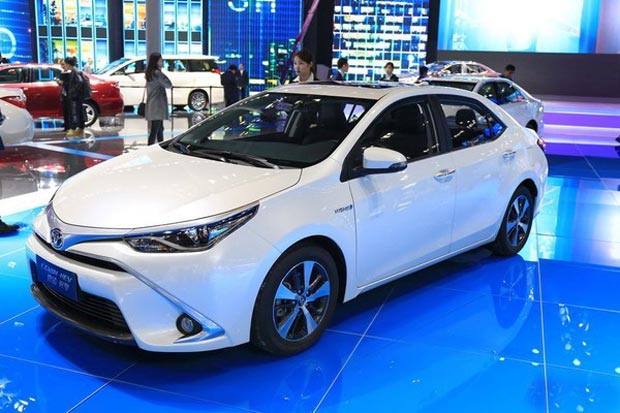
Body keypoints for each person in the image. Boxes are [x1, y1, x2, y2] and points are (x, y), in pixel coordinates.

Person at [144, 52, 172, 145]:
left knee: (159, 128)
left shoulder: (149, 73)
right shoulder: (157, 73)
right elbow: (168, 84)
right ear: (156, 61)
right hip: (157, 105)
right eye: (160, 60)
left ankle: (160, 145)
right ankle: (151, 147)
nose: (161, 62)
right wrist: (162, 73)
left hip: (153, 104)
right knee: (155, 130)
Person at [64, 56, 87, 137]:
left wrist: (73, 91)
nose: (65, 66)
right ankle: (80, 129)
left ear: (68, 64)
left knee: (74, 112)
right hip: (78, 96)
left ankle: (74, 129)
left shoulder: (75, 72)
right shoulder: (75, 71)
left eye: (65, 64)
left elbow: (79, 82)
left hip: (76, 97)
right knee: (78, 112)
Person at [56, 60, 71, 131]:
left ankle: (70, 126)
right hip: (64, 94)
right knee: (65, 110)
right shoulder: (62, 73)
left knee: (69, 111)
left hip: (70, 94)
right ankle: (67, 125)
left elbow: (69, 83)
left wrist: (62, 82)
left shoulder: (70, 73)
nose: (62, 66)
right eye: (61, 64)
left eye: (63, 64)